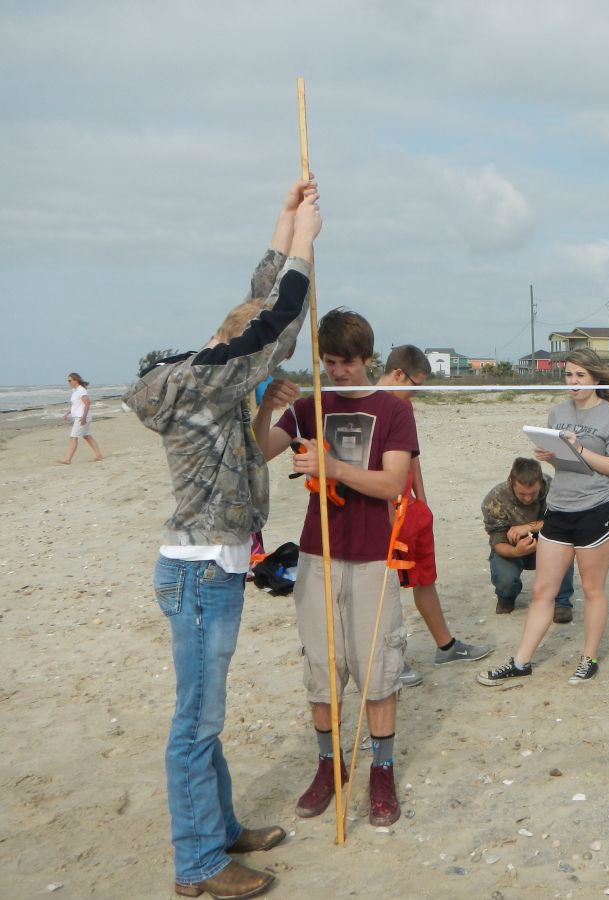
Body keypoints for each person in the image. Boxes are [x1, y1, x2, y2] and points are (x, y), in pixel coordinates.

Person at [125, 177, 321, 899]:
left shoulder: (209, 385)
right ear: (230, 348)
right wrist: (305, 245)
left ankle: (221, 827)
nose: (260, 369)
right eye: (252, 365)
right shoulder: (206, 381)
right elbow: (279, 323)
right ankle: (199, 864)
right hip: (201, 571)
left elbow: (256, 313)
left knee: (206, 713)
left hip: (214, 567)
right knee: (196, 720)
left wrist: (283, 220)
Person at [254, 309, 416, 830]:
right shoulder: (307, 407)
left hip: (373, 555)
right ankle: (330, 765)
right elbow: (258, 452)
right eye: (328, 362)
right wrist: (266, 408)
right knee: (323, 668)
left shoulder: (393, 410)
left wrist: (334, 467)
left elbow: (393, 485)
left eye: (346, 362)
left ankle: (382, 771)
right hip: (316, 553)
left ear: (367, 359)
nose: (338, 372)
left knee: (377, 669)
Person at [478, 348, 609, 686]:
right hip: (559, 508)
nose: (573, 382)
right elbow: (567, 464)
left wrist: (579, 449)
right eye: (569, 375)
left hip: (596, 509)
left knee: (592, 590)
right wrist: (553, 456)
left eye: (580, 376)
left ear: (594, 378)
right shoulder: (557, 412)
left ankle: (588, 659)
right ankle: (521, 661)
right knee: (542, 591)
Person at [376, 344, 491, 686]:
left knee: (424, 576)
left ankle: (446, 645)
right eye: (415, 383)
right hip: (385, 512)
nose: (417, 390)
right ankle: (391, 660)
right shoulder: (371, 405)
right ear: (398, 374)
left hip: (410, 509)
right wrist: (386, 515)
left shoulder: (404, 406)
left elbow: (412, 456)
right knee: (385, 587)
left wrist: (422, 502)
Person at [481, 457, 576, 621]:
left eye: (533, 493)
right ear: (511, 482)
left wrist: (528, 527)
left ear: (540, 482)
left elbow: (565, 522)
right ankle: (506, 597)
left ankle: (562, 602)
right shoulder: (495, 499)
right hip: (512, 547)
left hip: (547, 541)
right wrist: (515, 551)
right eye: (522, 494)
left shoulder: (553, 488)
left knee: (564, 547)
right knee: (505, 579)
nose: (527, 498)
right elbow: (498, 542)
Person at [59, 372, 103, 463]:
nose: (68, 382)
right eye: (68, 381)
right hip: (80, 416)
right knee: (87, 436)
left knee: (73, 437)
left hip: (82, 417)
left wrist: (83, 417)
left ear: (76, 380)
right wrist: (67, 413)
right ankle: (99, 455)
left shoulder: (81, 390)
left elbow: (87, 403)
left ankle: (67, 459)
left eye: (70, 380)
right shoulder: (75, 391)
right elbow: (75, 405)